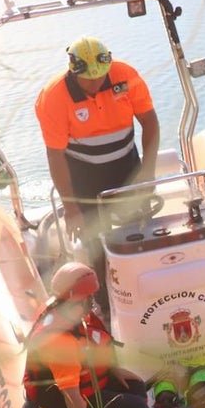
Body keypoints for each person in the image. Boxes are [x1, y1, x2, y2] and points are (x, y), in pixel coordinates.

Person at [34, 35, 160, 313]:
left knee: (139, 232)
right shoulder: (53, 97)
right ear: (73, 72)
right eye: (89, 80)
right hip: (84, 175)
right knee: (96, 244)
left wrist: (147, 174)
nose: (97, 84)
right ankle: (107, 305)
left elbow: (149, 122)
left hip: (126, 166)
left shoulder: (125, 75)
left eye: (102, 77)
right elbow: (55, 155)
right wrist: (71, 207)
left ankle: (150, 293)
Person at [23, 262, 156, 408]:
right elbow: (71, 396)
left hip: (87, 386)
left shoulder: (70, 314)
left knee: (136, 386)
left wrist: (112, 370)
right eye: (89, 298)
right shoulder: (60, 341)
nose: (92, 302)